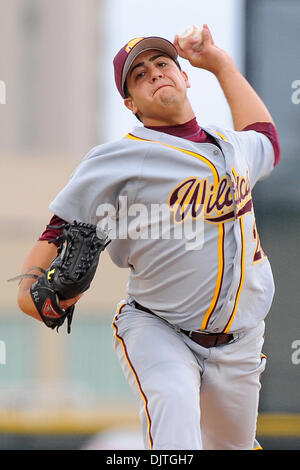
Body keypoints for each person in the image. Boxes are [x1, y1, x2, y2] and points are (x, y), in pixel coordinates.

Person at [17, 24, 280, 450]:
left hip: (241, 341)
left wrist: (219, 63)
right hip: (160, 328)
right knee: (174, 417)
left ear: (184, 76)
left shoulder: (233, 146)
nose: (155, 73)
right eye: (140, 74)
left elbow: (267, 140)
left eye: (162, 64)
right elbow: (55, 232)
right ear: (130, 103)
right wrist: (30, 290)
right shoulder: (114, 159)